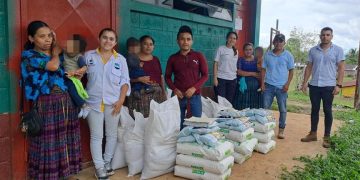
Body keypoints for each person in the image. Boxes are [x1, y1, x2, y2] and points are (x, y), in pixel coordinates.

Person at [20, 20, 81, 179]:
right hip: (46, 104)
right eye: (42, 36)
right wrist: (55, 52)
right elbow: (52, 67)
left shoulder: (55, 55)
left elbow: (59, 71)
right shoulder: (29, 56)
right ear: (32, 39)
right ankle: (48, 176)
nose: (47, 39)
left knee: (64, 140)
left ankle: (63, 174)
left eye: (49, 36)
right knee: (49, 142)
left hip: (64, 102)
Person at [84, 28, 130, 179]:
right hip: (93, 103)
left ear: (115, 42)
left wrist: (121, 100)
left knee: (111, 135)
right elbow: (78, 75)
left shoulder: (120, 60)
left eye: (111, 39)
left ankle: (107, 162)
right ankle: (99, 168)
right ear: (99, 38)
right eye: (105, 37)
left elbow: (125, 82)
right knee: (96, 136)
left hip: (113, 104)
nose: (108, 41)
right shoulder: (89, 56)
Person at [300, 27, 345, 148]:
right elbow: (309, 67)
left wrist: (339, 85)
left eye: (328, 35)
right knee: (314, 109)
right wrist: (304, 83)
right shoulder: (313, 50)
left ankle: (326, 137)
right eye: (323, 35)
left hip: (329, 86)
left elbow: (341, 68)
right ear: (320, 36)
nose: (325, 37)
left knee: (327, 110)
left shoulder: (338, 50)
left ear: (332, 36)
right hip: (314, 85)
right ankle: (313, 133)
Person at [165, 25, 208, 129]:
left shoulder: (198, 56)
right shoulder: (173, 58)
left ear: (192, 41)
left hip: (195, 97)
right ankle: (179, 145)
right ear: (177, 41)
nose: (185, 42)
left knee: (195, 125)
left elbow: (205, 75)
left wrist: (194, 88)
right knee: (177, 125)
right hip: (178, 97)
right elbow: (167, 77)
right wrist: (174, 89)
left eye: (188, 39)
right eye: (182, 39)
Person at [261, 34, 294, 139]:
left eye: (281, 41)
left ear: (284, 43)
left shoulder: (288, 55)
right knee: (266, 108)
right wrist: (262, 84)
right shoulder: (268, 55)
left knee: (283, 109)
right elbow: (263, 70)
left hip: (282, 87)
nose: (278, 43)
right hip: (268, 86)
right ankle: (267, 128)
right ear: (273, 42)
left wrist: (287, 84)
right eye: (277, 41)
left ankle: (281, 130)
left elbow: (291, 71)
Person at [127, 35, 166, 118]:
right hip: (140, 95)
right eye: (145, 44)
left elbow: (161, 76)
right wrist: (138, 79)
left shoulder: (156, 59)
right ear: (140, 45)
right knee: (142, 123)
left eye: (151, 44)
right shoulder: (133, 59)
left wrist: (164, 92)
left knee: (155, 121)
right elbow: (125, 79)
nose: (148, 46)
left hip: (157, 95)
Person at [63, 34, 90, 118]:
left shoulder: (79, 57)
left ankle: (84, 105)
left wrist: (75, 72)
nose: (70, 50)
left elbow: (85, 67)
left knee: (72, 90)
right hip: (64, 76)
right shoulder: (64, 54)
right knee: (69, 95)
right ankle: (80, 108)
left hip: (73, 79)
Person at [233, 43, 263, 110]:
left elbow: (260, 72)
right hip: (243, 87)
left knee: (254, 108)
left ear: (253, 50)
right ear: (243, 50)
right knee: (242, 108)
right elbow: (239, 72)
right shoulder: (241, 60)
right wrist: (252, 74)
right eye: (246, 49)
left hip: (255, 89)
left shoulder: (257, 60)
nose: (248, 51)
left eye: (250, 49)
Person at [213, 32, 238, 103]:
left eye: (234, 38)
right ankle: (221, 115)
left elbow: (234, 65)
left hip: (232, 79)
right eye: (230, 37)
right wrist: (215, 78)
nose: (232, 40)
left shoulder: (236, 51)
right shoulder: (221, 49)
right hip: (221, 79)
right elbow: (215, 63)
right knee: (220, 101)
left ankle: (227, 115)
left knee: (229, 102)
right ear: (227, 38)